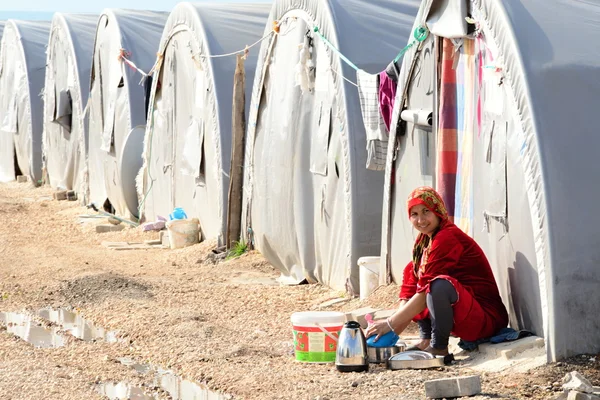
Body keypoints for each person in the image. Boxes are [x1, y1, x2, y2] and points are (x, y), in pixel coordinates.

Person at [365, 186, 508, 356]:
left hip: (485, 320)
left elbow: (426, 291)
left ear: (438, 211)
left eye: (426, 211)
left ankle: (439, 346)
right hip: (466, 315)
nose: (421, 220)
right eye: (414, 214)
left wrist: (390, 323)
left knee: (437, 285)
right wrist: (390, 331)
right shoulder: (424, 242)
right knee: (413, 269)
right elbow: (410, 292)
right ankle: (426, 339)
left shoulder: (447, 237)